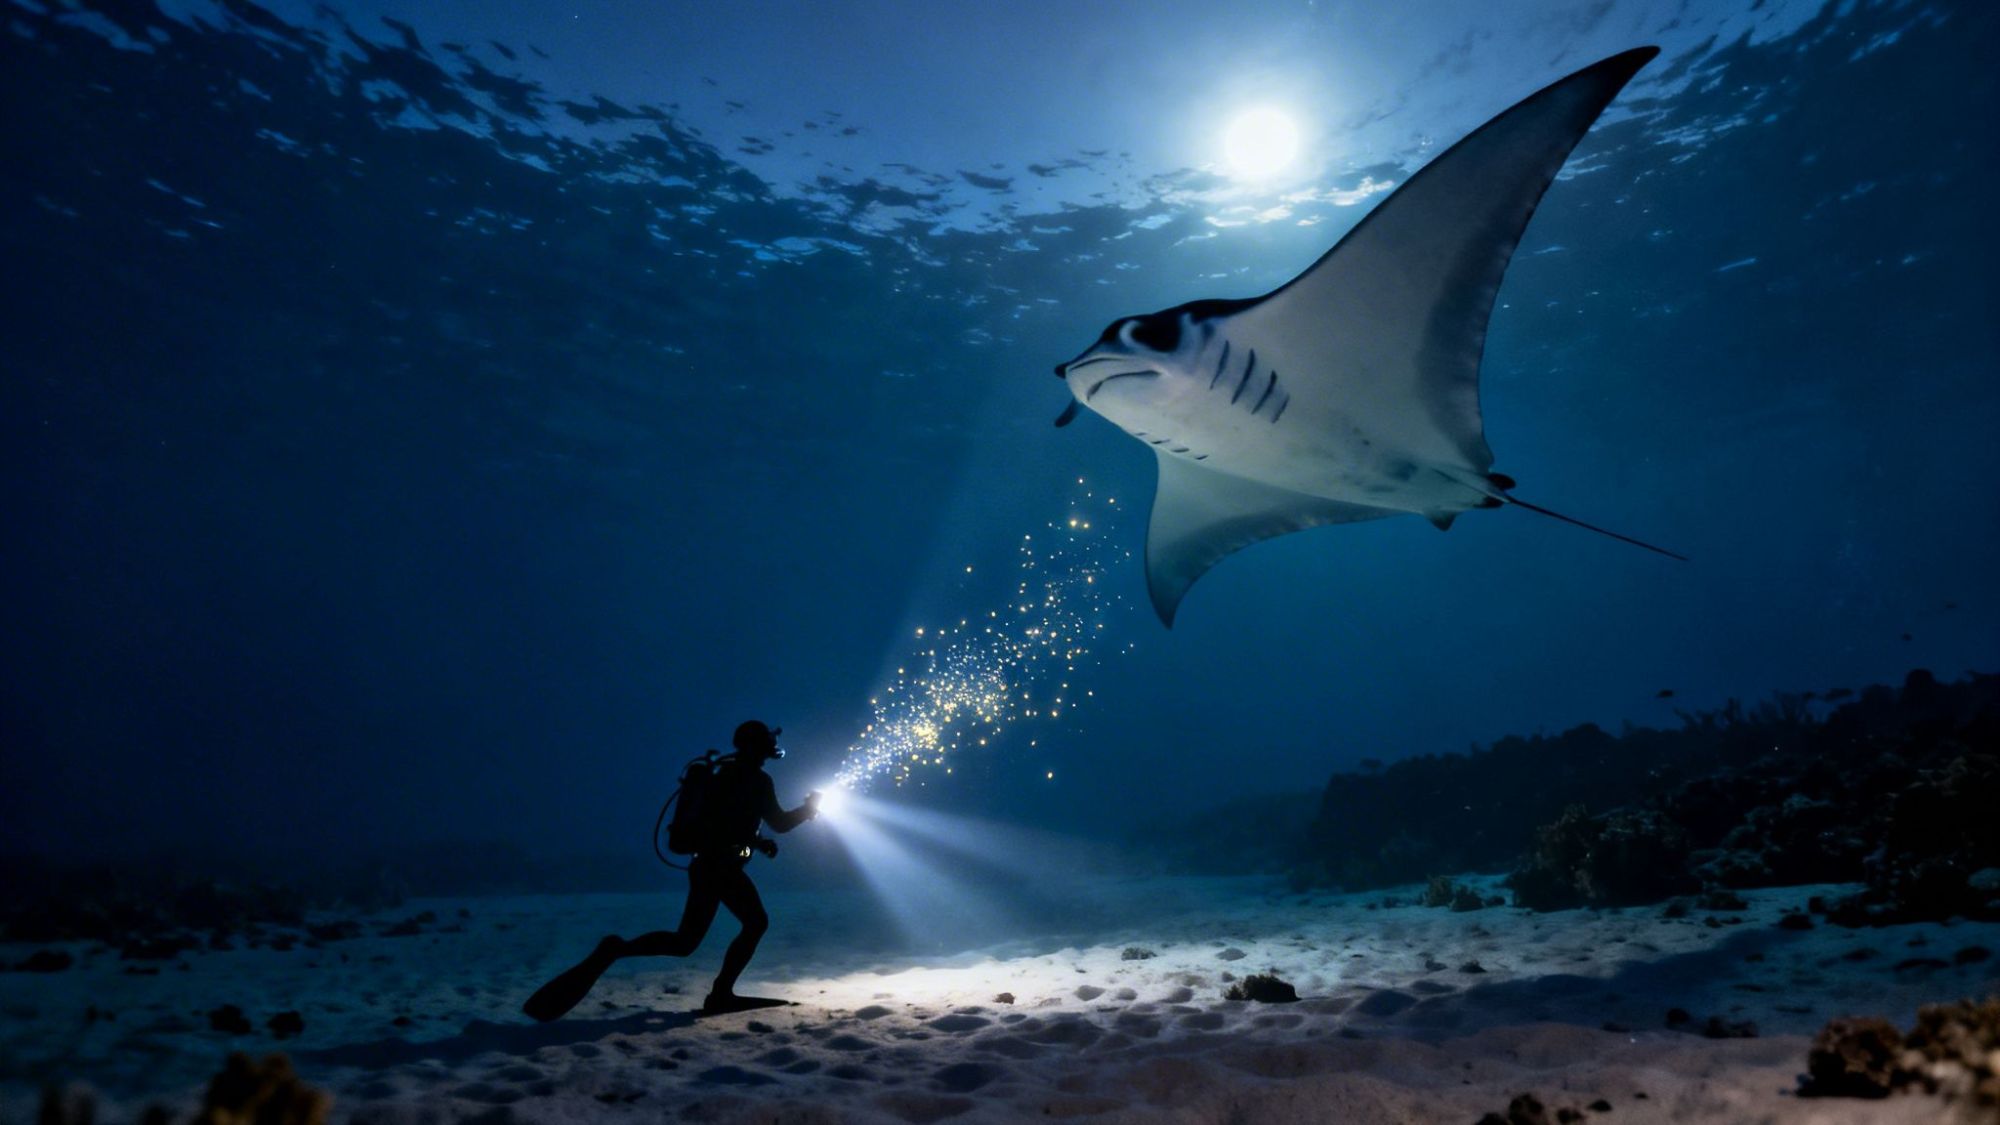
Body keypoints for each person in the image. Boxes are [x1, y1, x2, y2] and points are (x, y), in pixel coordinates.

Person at [522, 720, 821, 1021]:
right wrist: (808, 810)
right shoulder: (757, 780)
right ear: (758, 747)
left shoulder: (722, 775)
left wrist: (756, 842)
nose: (771, 748)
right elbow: (778, 823)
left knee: (685, 942)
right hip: (721, 869)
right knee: (755, 923)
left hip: (705, 866)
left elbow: (724, 824)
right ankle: (720, 994)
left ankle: (618, 949)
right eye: (766, 743)